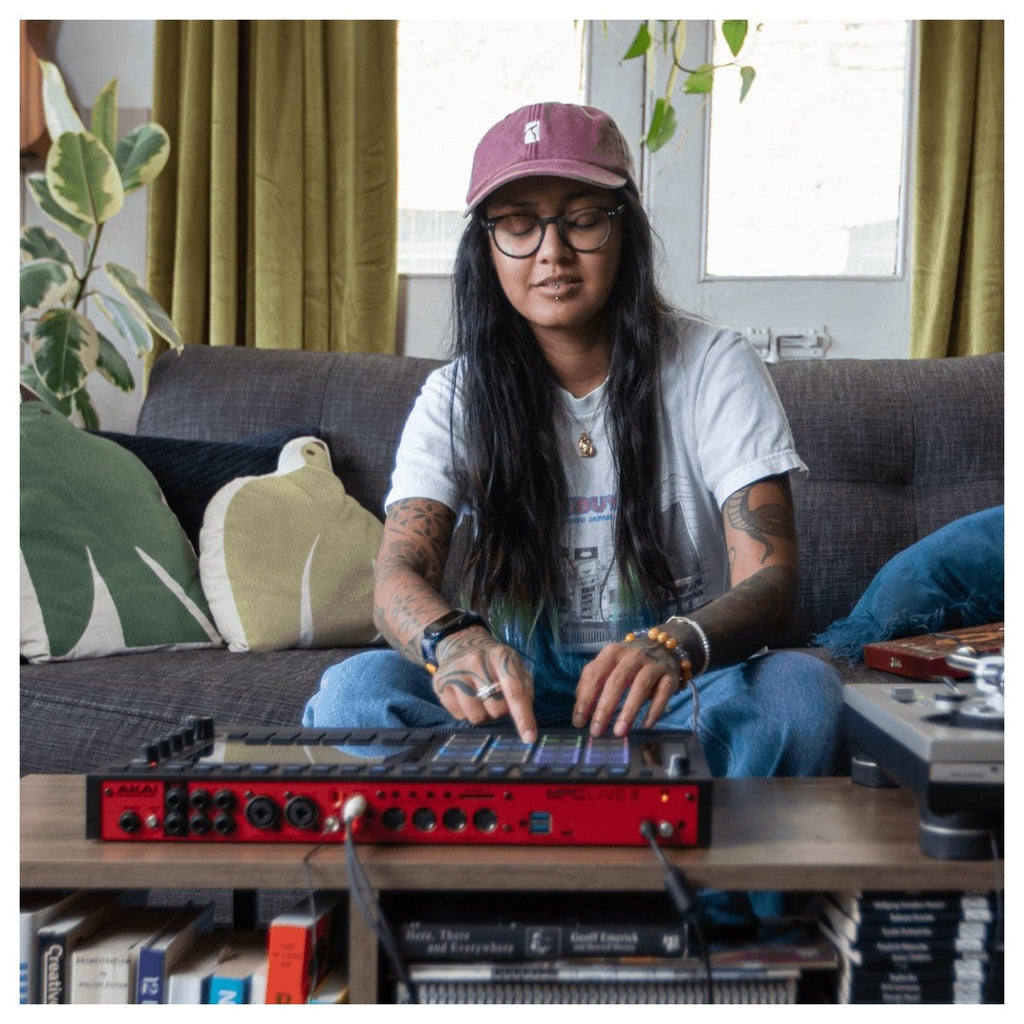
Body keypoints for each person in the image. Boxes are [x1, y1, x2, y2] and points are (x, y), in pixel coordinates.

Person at [303, 101, 843, 782]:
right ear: (486, 247)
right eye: (518, 224)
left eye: (583, 220)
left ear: (625, 231)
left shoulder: (714, 366)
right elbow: (396, 576)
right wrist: (454, 642)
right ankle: (492, 853)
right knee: (353, 692)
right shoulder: (455, 395)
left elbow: (772, 580)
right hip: (509, 702)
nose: (551, 252)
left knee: (801, 694)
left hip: (673, 698)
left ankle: (679, 863)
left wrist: (673, 645)